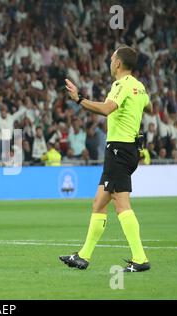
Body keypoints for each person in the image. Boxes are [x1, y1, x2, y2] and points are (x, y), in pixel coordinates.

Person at [60, 46, 152, 272]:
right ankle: (83, 256)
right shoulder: (139, 87)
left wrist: (79, 98)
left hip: (119, 151)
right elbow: (147, 106)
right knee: (99, 203)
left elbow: (107, 109)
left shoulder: (121, 85)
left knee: (121, 205)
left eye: (112, 59)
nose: (110, 63)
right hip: (126, 150)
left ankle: (140, 258)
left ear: (118, 63)